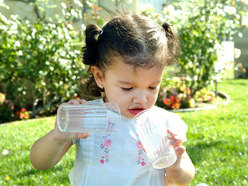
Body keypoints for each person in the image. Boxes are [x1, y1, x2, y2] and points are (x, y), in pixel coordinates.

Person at [30, 14, 195, 185]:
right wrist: (57, 138)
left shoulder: (164, 123)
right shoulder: (87, 118)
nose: (141, 98)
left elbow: (184, 179)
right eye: (127, 88)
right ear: (100, 77)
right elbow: (40, 163)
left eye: (152, 87)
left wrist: (176, 166)